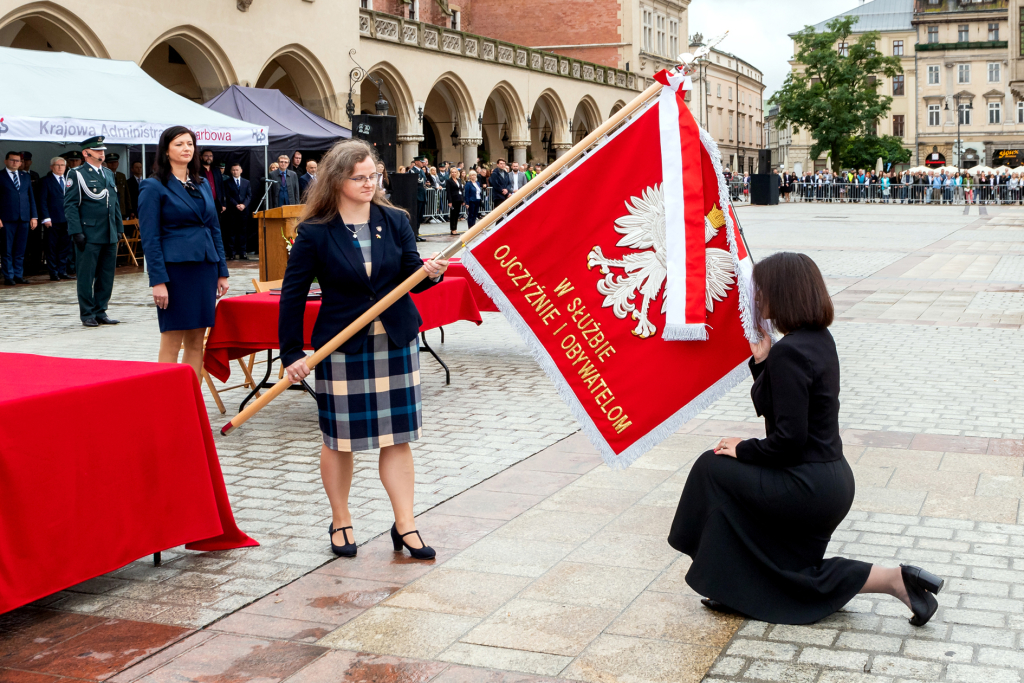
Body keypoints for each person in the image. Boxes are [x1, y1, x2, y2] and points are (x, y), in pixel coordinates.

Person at [669, 252, 945, 627]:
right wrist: (764, 362)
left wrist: (744, 448)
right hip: (829, 481)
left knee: (711, 467)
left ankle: (730, 580)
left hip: (807, 485)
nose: (757, 297)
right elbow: (786, 409)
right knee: (794, 571)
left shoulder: (792, 351)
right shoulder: (817, 341)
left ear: (783, 293)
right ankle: (897, 579)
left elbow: (787, 440)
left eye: (762, 289)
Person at [278, 139, 449, 560]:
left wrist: (432, 274)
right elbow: (292, 296)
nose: (369, 183)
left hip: (394, 341)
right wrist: (290, 355)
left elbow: (412, 275)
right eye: (360, 178)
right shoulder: (315, 232)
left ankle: (405, 525)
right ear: (337, 180)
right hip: (342, 345)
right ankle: (341, 519)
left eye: (374, 176)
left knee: (398, 437)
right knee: (340, 440)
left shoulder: (394, 220)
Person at [138, 126, 230, 377]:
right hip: (175, 272)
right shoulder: (153, 186)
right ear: (166, 150)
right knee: (171, 340)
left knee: (196, 340)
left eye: (189, 143)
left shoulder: (200, 184)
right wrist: (157, 280)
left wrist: (222, 271)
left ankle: (191, 404)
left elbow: (213, 228)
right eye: (179, 144)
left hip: (204, 268)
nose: (186, 148)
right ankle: (166, 406)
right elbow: (150, 237)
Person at [65, 136, 123, 326]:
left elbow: (114, 203)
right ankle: (87, 313)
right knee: (86, 275)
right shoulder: (77, 174)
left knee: (106, 275)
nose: (102, 153)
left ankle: (101, 310)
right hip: (89, 233)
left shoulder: (108, 173)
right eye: (97, 150)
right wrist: (76, 232)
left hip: (109, 232)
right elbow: (71, 205)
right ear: (86, 153)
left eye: (102, 150)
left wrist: (119, 227)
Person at [0, 151, 38, 285]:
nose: (15, 163)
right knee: (7, 249)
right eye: (12, 160)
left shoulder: (25, 177)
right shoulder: (1, 176)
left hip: (24, 218)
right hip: (6, 218)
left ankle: (18, 274)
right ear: (6, 161)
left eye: (18, 161)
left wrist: (34, 216)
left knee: (20, 249)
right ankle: (9, 276)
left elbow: (31, 198)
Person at [38, 156, 74, 281]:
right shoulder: (45, 181)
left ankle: (62, 271)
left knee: (65, 247)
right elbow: (42, 201)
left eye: (62, 165)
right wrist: (46, 218)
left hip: (67, 219)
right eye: (57, 165)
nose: (60, 168)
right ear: (51, 167)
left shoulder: (69, 180)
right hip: (52, 220)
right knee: (52, 247)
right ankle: (53, 272)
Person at [223, 162, 252, 260]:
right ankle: (232, 253)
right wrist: (236, 205)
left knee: (242, 232)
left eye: (237, 170)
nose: (235, 172)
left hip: (244, 211)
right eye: (233, 170)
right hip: (232, 211)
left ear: (241, 170)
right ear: (231, 171)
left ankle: (242, 252)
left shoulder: (246, 182)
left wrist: (244, 205)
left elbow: (249, 195)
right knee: (231, 232)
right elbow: (228, 196)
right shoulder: (227, 182)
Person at [199, 149, 226, 218]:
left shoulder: (216, 170)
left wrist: (223, 203)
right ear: (201, 157)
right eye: (206, 156)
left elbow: (221, 187)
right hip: (203, 203)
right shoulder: (197, 171)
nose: (209, 158)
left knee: (217, 225)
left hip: (217, 203)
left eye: (211, 156)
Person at [104, 153, 130, 218]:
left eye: (115, 162)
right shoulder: (103, 175)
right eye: (110, 162)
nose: (113, 164)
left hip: (121, 208)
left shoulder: (121, 176)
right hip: (108, 208)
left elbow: (126, 193)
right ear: (106, 164)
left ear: (118, 163)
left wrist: (130, 209)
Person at [445, 167, 464, 235]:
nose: (453, 173)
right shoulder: (449, 181)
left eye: (455, 172)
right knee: (453, 214)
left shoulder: (459, 180)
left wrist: (462, 200)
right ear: (450, 173)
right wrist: (449, 201)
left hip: (459, 198)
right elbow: (448, 192)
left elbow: (461, 190)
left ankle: (455, 228)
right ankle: (452, 229)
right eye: (452, 172)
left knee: (457, 214)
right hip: (453, 199)